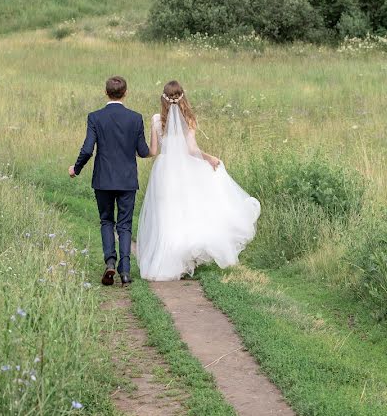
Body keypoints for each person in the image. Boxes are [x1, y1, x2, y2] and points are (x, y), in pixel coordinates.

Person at [137, 80, 260, 281]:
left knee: (167, 215)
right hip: (184, 170)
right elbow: (192, 150)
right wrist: (210, 157)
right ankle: (186, 259)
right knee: (185, 212)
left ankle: (166, 262)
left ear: (163, 99)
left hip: (164, 170)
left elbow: (152, 151)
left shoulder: (156, 120)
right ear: (183, 97)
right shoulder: (190, 119)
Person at [69, 76, 150, 286]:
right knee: (124, 225)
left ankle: (110, 262)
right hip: (127, 180)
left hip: (103, 179)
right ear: (126, 93)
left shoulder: (95, 117)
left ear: (106, 93)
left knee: (106, 221)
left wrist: (76, 168)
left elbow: (88, 149)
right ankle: (125, 272)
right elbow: (142, 151)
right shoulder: (135, 118)